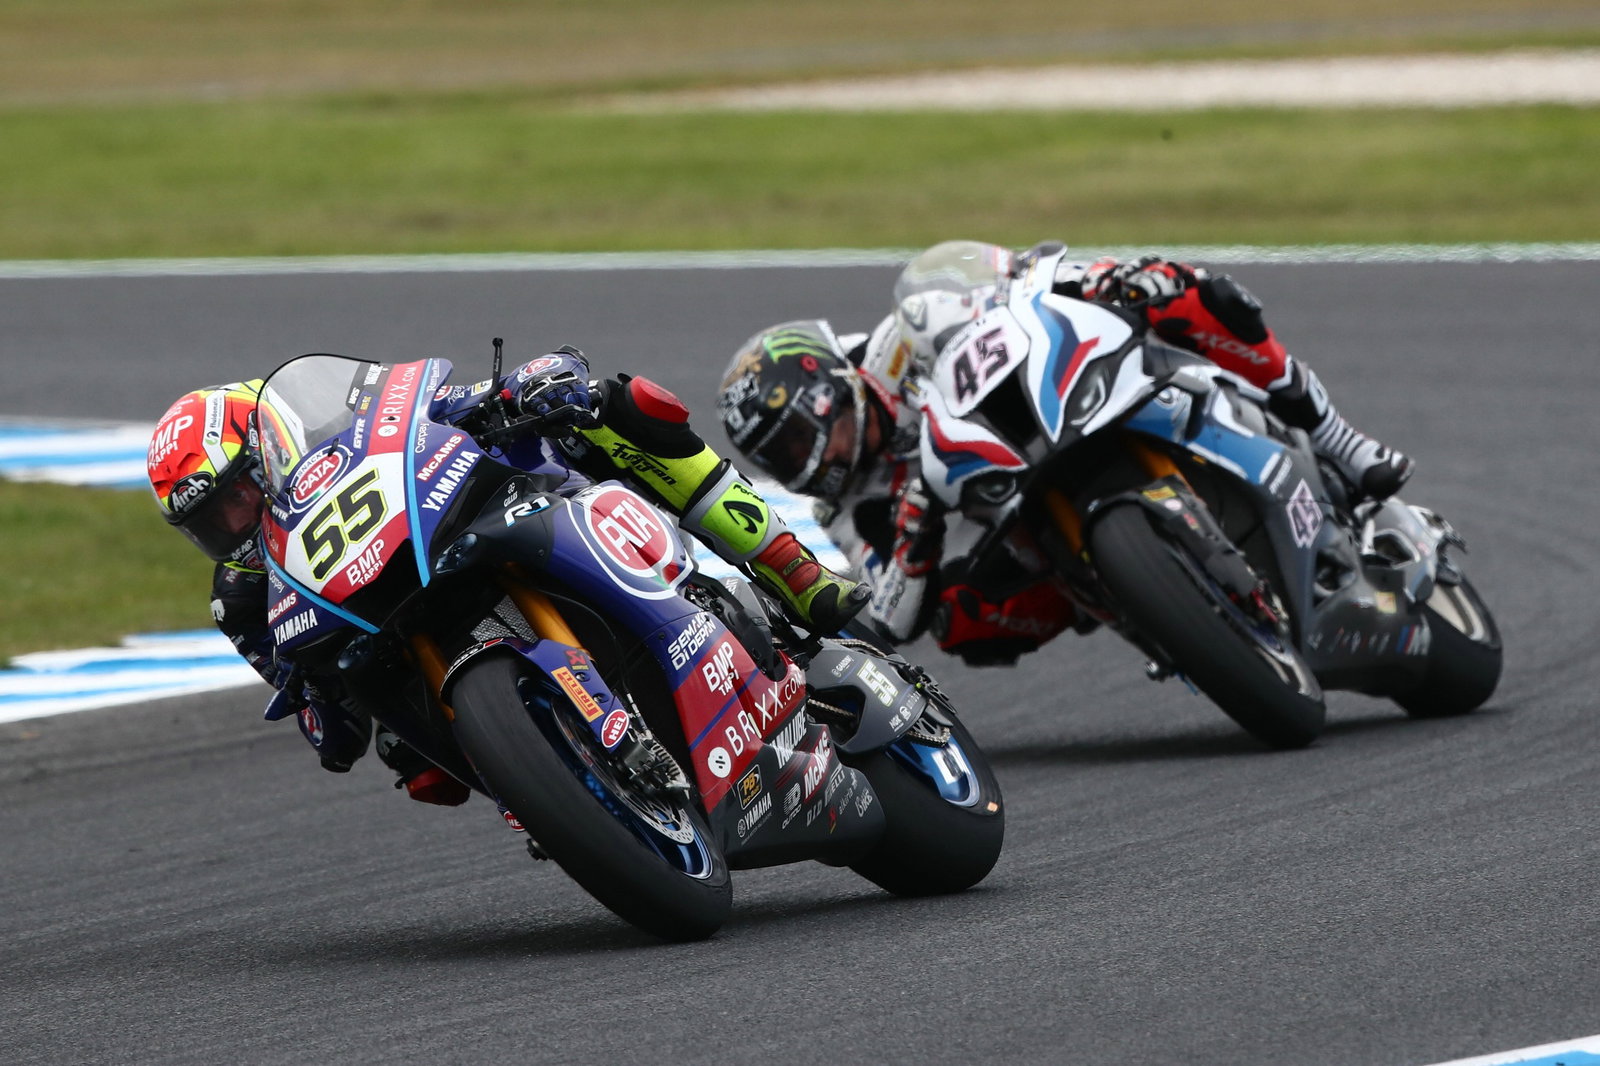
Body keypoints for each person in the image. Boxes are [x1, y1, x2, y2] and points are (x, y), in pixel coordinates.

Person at [147, 351, 867, 797]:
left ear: (265, 449)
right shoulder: (243, 600)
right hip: (398, 644)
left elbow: (426, 409)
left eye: (238, 497)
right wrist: (318, 695)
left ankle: (788, 567)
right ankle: (554, 789)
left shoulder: (335, 429)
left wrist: (525, 386)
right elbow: (330, 737)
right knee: (412, 761)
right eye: (212, 523)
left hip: (478, 520)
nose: (234, 525)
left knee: (614, 408)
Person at [716, 239, 1414, 666]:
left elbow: (1018, 280)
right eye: (783, 460)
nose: (811, 464)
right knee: (959, 620)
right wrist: (914, 533)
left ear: (831, 388)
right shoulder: (844, 507)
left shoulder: (903, 338)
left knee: (1196, 293)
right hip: (1015, 513)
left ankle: (1337, 440)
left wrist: (1104, 281)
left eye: (807, 438)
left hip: (1072, 397)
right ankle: (1128, 597)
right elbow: (894, 615)